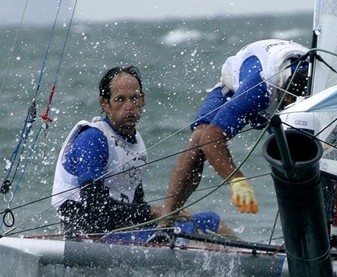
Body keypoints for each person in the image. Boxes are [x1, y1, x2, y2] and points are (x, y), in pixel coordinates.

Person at [52, 65, 235, 239]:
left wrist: (164, 217)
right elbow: (94, 208)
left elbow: (135, 204)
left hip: (121, 231)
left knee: (212, 222)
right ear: (105, 104)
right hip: (88, 234)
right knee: (189, 236)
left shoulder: (136, 142)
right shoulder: (93, 139)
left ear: (143, 99)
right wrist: (156, 212)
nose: (129, 106)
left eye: (134, 98)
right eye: (120, 99)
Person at [163, 39, 311, 218]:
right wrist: (237, 180)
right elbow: (210, 138)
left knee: (314, 160)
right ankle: (166, 221)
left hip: (293, 82)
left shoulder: (318, 87)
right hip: (238, 82)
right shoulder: (260, 86)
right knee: (200, 137)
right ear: (286, 97)